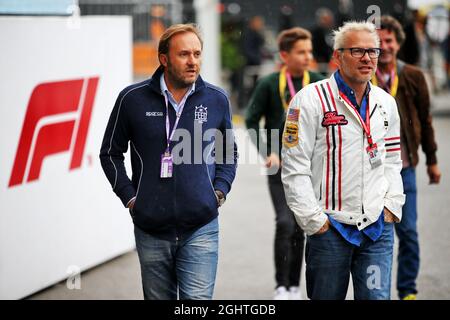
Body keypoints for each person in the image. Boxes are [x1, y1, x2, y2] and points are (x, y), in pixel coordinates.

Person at [99, 23, 238, 300]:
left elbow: (227, 153)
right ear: (164, 59)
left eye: (197, 54)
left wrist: (218, 192)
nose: (193, 62)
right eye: (184, 54)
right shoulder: (131, 99)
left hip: (201, 225)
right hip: (151, 227)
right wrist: (131, 198)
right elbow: (110, 153)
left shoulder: (216, 99)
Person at [281, 21, 405, 300]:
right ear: (337, 57)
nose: (367, 58)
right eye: (357, 51)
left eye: (372, 51)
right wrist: (315, 222)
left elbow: (392, 161)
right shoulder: (308, 100)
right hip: (330, 230)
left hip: (376, 229)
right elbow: (294, 169)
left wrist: (391, 207)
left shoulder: (386, 103)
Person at [245, 27, 324, 300]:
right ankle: (281, 285)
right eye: (301, 52)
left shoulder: (317, 82)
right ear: (284, 55)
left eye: (310, 51)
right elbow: (251, 121)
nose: (308, 57)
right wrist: (268, 151)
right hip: (278, 167)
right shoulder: (268, 84)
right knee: (284, 222)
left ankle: (294, 285)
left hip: (310, 169)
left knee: (301, 224)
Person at [374, 15, 441, 300]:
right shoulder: (364, 74)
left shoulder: (412, 75)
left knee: (408, 233)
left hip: (405, 168)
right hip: (372, 170)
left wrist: (432, 159)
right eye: (378, 42)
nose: (384, 46)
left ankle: (407, 290)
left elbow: (425, 120)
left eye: (389, 40)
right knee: (375, 235)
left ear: (398, 43)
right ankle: (376, 291)